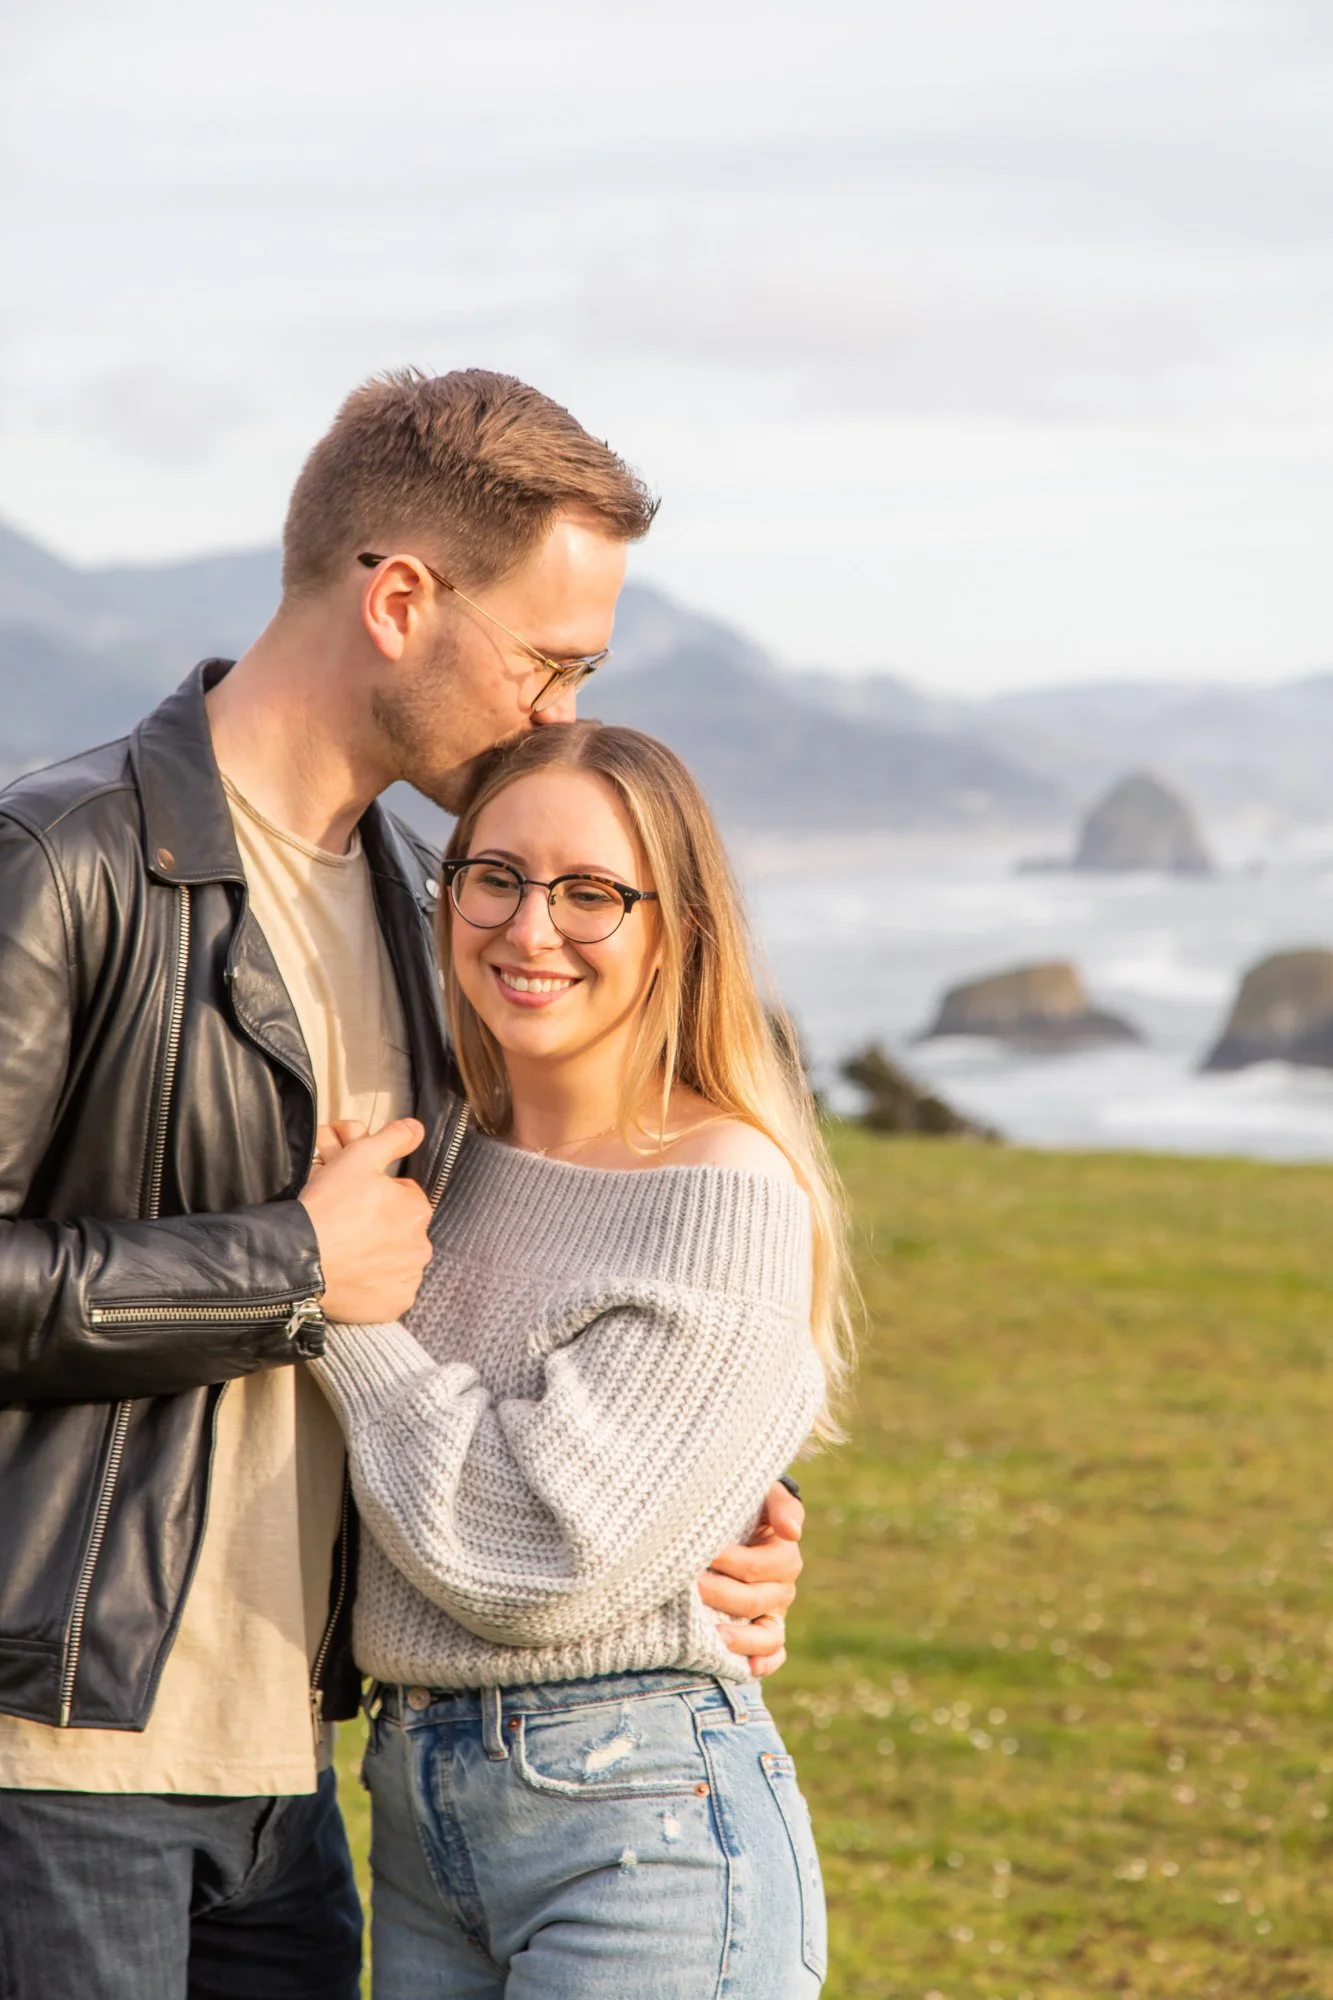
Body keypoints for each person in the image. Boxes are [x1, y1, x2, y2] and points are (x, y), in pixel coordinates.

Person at [0, 369, 805, 2000]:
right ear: (398, 600)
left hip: (302, 1771)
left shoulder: (436, 906)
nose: (555, 714)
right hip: (58, 1759)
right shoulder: (68, 855)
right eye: (546, 660)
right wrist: (289, 1267)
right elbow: (335, 1276)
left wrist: (707, 1502)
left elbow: (518, 1286)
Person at [308, 719, 851, 1997]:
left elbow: (532, 1557)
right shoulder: (434, 1159)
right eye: (493, 876)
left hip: (638, 1825)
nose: (529, 928)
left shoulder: (724, 1189)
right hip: (419, 1805)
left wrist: (334, 1302)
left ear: (678, 927)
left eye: (591, 893)